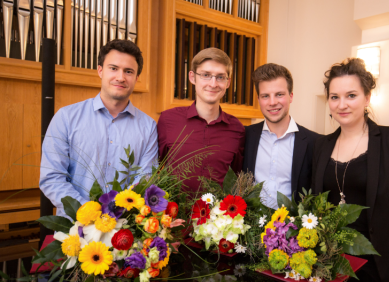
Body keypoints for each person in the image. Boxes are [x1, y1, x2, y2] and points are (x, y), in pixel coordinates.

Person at [311, 58, 389, 281]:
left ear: (367, 97)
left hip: (383, 267)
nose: (342, 104)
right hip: (333, 267)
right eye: (334, 97)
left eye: (351, 95)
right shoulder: (321, 145)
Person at [40, 40, 158, 219]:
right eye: (113, 68)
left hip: (126, 231)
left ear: (136, 77)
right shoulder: (66, 117)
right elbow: (52, 177)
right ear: (100, 71)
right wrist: (90, 213)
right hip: (75, 228)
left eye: (128, 71)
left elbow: (144, 180)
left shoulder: (148, 126)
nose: (121, 77)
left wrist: (118, 216)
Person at [158, 48, 245, 193]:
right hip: (173, 214)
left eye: (220, 77)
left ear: (228, 82)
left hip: (218, 214)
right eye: (206, 75)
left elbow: (237, 180)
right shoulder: (168, 120)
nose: (213, 84)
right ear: (192, 77)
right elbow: (153, 170)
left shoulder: (237, 129)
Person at [243, 63, 320, 209]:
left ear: (291, 96)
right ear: (258, 99)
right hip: (249, 227)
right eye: (265, 96)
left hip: (293, 229)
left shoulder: (314, 142)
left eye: (279, 94)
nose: (273, 102)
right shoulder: (245, 136)